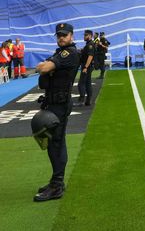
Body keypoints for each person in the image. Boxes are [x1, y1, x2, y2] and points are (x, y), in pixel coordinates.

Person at [33, 22, 80, 202]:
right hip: (53, 102)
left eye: (65, 35)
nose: (61, 37)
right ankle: (55, 181)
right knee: (55, 142)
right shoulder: (60, 52)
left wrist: (42, 66)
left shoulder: (69, 53)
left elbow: (44, 68)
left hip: (59, 104)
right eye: (59, 35)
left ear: (71, 36)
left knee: (56, 143)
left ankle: (57, 186)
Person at [77, 30, 96, 107]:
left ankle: (81, 101)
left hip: (87, 66)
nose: (84, 36)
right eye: (84, 35)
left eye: (86, 35)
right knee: (88, 84)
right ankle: (88, 101)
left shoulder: (90, 45)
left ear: (90, 36)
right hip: (88, 66)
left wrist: (85, 67)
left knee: (81, 84)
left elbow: (90, 56)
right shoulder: (88, 44)